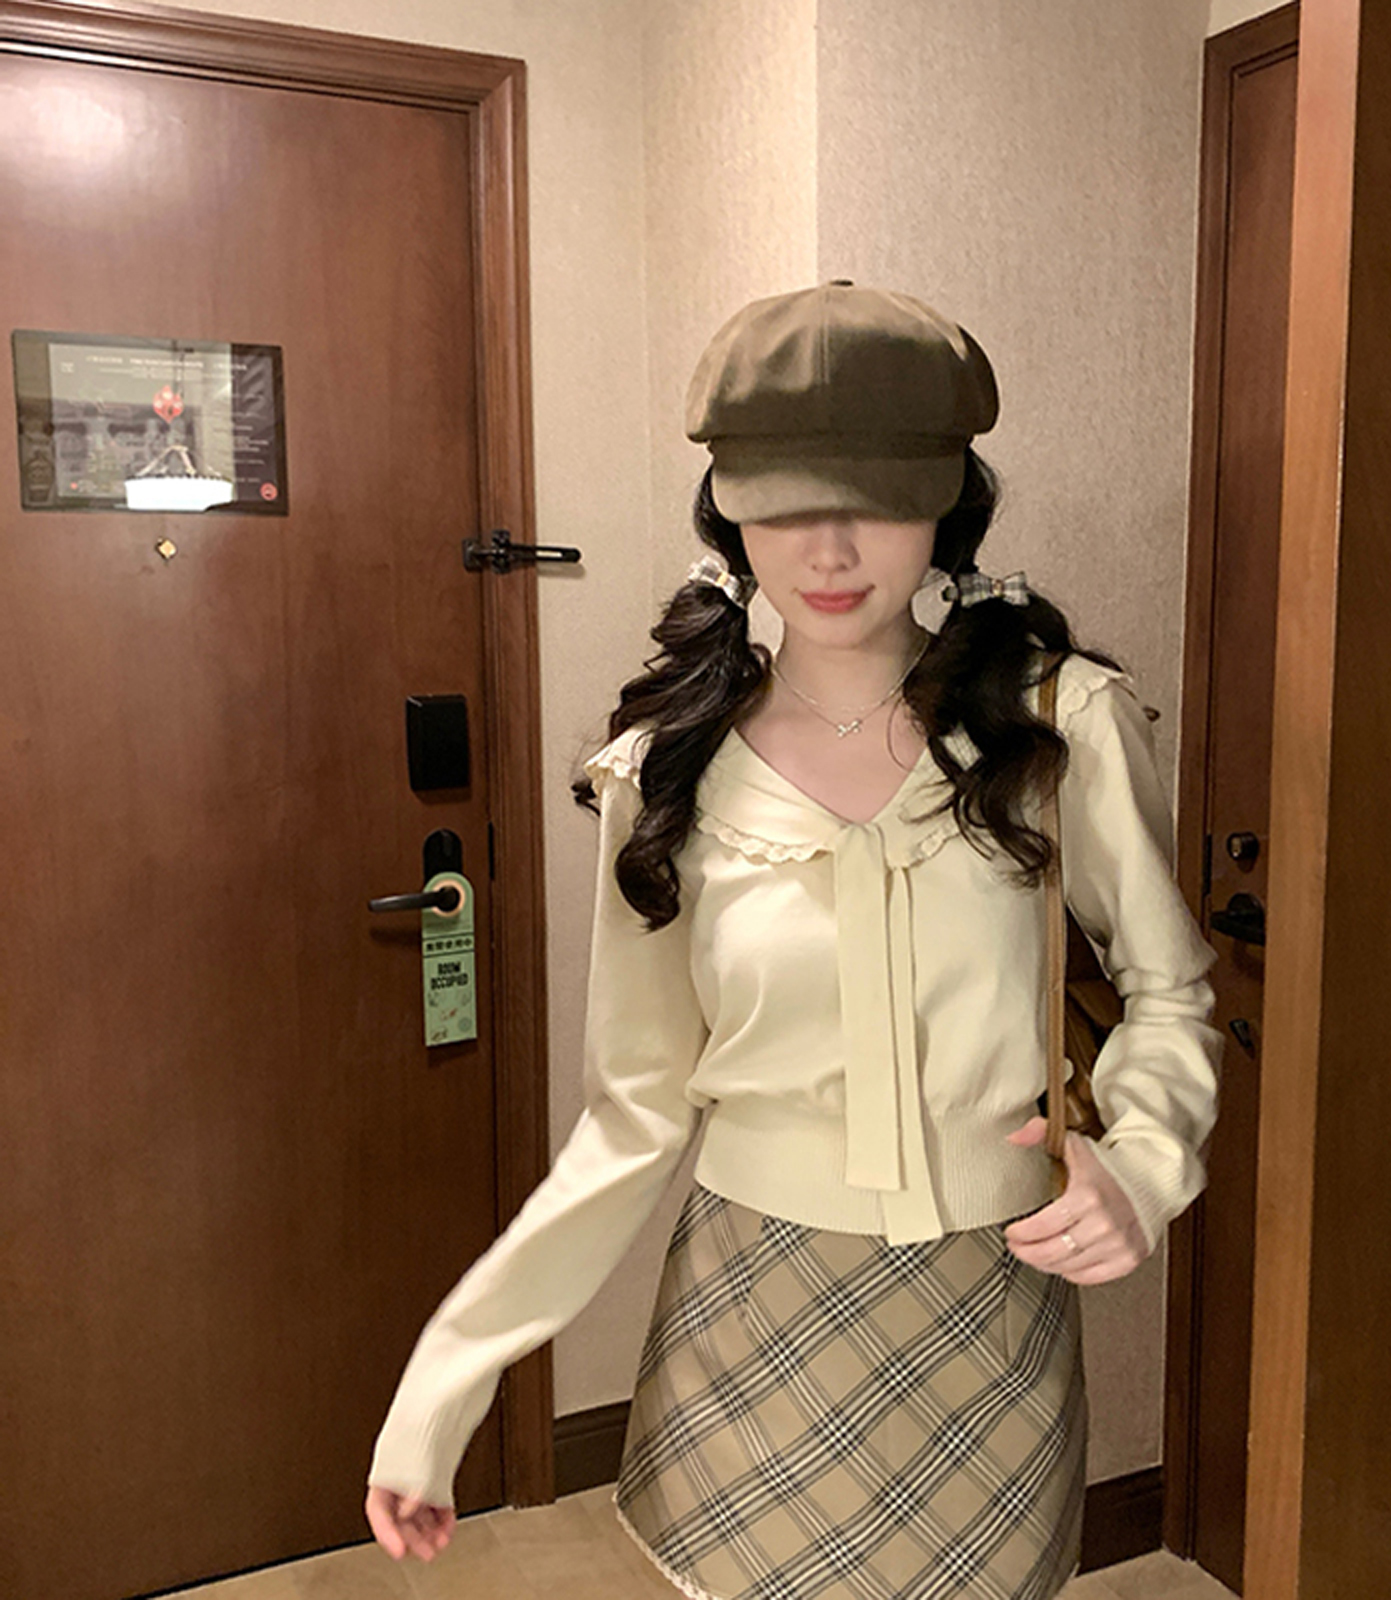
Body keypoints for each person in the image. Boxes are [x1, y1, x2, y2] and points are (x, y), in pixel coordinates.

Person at [364, 281, 1222, 1600]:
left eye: (875, 499)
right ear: (728, 512)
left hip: (988, 1314)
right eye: (782, 505)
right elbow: (632, 1119)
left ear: (948, 503)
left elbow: (1169, 991)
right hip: (750, 1310)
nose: (828, 549)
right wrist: (448, 1377)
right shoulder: (665, 770)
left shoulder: (1061, 725)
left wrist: (1146, 1163)